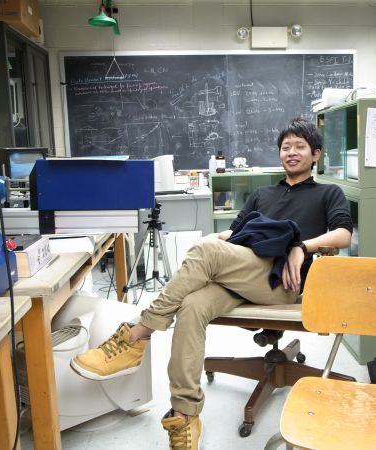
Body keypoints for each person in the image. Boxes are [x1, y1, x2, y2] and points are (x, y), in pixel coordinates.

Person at [70, 117, 353, 449]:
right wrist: (212, 241)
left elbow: (343, 234)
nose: (291, 152)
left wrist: (301, 247)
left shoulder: (327, 193)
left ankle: (136, 335)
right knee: (192, 305)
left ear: (315, 154)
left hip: (280, 282)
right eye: (286, 147)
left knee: (206, 251)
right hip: (241, 272)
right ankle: (185, 416)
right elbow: (233, 234)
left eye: (299, 147)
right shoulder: (263, 194)